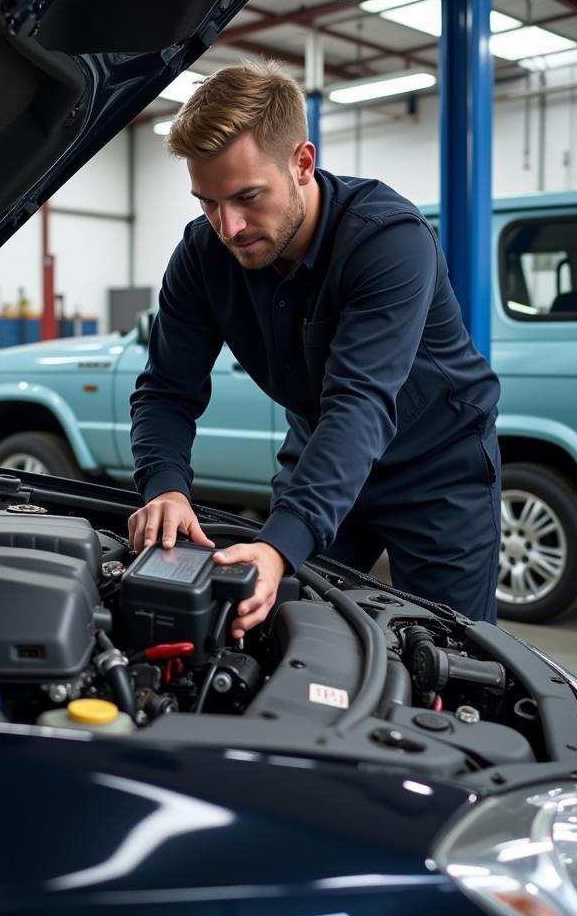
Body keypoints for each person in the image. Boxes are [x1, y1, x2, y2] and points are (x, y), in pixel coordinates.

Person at [127, 62, 501, 639]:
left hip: (436, 471)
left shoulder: (388, 240)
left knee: (449, 656)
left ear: (302, 162)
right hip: (320, 456)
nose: (229, 226)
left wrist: (280, 544)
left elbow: (359, 402)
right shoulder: (203, 256)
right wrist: (166, 487)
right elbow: (166, 391)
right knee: (305, 637)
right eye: (208, 202)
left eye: (248, 197)